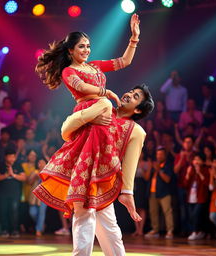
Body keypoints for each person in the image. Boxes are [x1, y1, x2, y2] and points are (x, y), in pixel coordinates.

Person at [34, 13, 141, 220]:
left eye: (88, 46)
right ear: (70, 50)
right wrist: (106, 93)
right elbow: (81, 87)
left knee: (129, 137)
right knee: (87, 160)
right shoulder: (68, 71)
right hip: (88, 113)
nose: (86, 50)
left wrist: (134, 37)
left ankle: (123, 193)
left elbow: (125, 61)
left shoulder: (95, 66)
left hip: (104, 115)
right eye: (81, 46)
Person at [45, 84, 154, 255]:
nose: (129, 94)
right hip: (82, 172)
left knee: (110, 231)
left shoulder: (136, 131)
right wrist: (90, 118)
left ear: (138, 110)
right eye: (131, 91)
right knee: (84, 221)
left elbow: (129, 165)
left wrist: (127, 193)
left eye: (135, 97)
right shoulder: (102, 106)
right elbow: (65, 130)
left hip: (105, 181)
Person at [0, 148, 26, 237]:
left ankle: (14, 230)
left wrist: (13, 175)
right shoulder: (0, 165)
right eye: (10, 157)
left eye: (13, 157)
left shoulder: (18, 165)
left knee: (14, 211)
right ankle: (4, 230)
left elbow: (24, 178)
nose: (12, 159)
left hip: (15, 193)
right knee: (3, 211)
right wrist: (6, 175)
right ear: (5, 157)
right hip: (2, 193)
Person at [145, 146, 174, 239]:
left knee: (167, 212)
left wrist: (159, 170)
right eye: (157, 154)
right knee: (153, 212)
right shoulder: (154, 165)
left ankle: (170, 231)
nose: (159, 156)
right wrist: (150, 167)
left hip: (164, 193)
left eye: (161, 154)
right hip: (153, 192)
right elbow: (146, 178)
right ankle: (155, 230)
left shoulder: (168, 165)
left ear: (165, 155)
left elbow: (167, 179)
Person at [184, 153, 209, 240]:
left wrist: (199, 173)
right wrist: (187, 174)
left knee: (196, 215)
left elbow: (207, 184)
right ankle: (198, 231)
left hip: (201, 197)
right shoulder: (191, 170)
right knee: (191, 216)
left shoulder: (206, 170)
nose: (196, 162)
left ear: (202, 161)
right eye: (195, 160)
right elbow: (185, 184)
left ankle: (196, 232)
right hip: (191, 197)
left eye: (198, 160)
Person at [28, 158, 48, 237]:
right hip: (34, 197)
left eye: (43, 163)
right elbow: (29, 182)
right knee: (32, 213)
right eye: (39, 163)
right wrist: (34, 177)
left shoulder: (48, 173)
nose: (41, 165)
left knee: (41, 213)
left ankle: (38, 230)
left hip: (44, 196)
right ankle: (41, 224)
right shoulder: (34, 172)